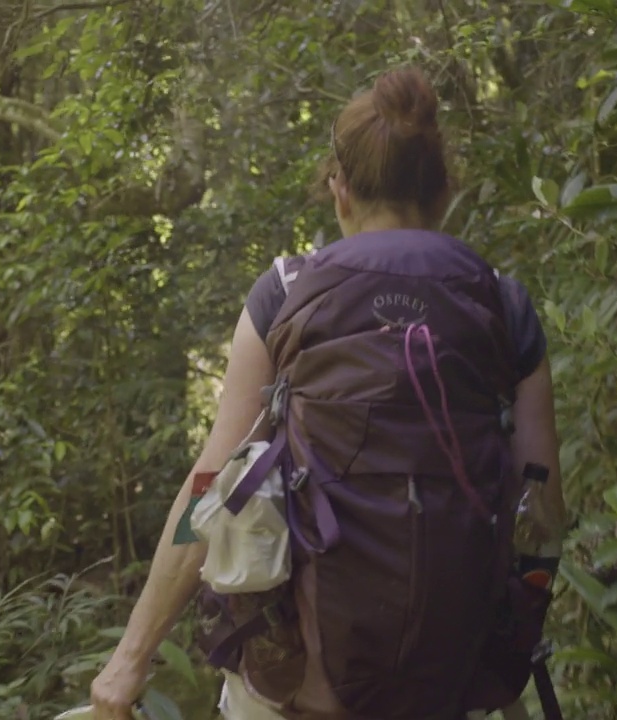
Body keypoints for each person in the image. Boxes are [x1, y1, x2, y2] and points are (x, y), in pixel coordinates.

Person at [90, 66, 567, 720]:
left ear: (339, 190)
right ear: (445, 190)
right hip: (446, 686)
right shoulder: (503, 307)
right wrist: (501, 662)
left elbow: (213, 484)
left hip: (295, 689)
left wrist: (131, 658)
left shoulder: (285, 295)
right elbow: (540, 509)